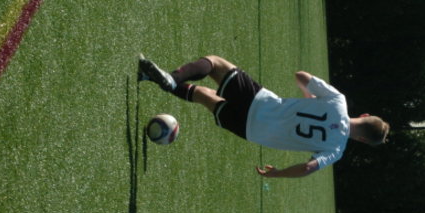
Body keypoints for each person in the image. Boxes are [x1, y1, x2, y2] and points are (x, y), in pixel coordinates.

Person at [138, 54, 389, 178]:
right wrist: (277, 173)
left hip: (260, 102)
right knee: (205, 96)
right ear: (362, 140)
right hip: (251, 131)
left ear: (365, 115)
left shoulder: (338, 102)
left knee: (215, 63)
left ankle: (172, 78)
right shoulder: (336, 149)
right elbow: (307, 168)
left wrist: (310, 99)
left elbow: (301, 76)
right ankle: (152, 77)